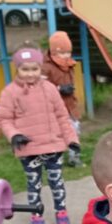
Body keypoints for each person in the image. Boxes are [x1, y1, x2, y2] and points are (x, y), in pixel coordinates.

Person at [0, 42, 80, 224]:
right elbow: (4, 119)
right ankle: (36, 215)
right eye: (25, 69)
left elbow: (62, 116)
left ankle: (61, 212)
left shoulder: (50, 89)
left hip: (53, 146)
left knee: (56, 182)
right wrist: (14, 135)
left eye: (34, 69)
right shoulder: (10, 92)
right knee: (33, 184)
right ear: (17, 69)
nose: (30, 74)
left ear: (40, 68)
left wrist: (71, 139)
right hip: (29, 148)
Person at [41, 31, 85, 168]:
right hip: (53, 107)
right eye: (62, 53)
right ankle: (52, 159)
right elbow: (41, 87)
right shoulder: (45, 67)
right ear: (54, 52)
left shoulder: (69, 64)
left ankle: (74, 157)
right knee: (55, 134)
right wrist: (59, 89)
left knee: (74, 129)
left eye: (68, 52)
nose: (66, 56)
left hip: (69, 104)